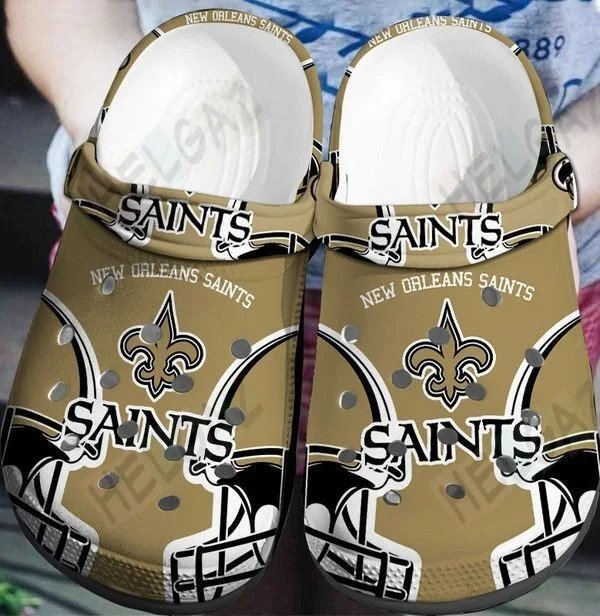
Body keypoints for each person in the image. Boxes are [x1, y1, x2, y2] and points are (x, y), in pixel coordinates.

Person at [6, 0, 600, 454]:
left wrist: (554, 183)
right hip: (164, 247)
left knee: (432, 532)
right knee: (197, 530)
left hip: (510, 267)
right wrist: (127, 143)